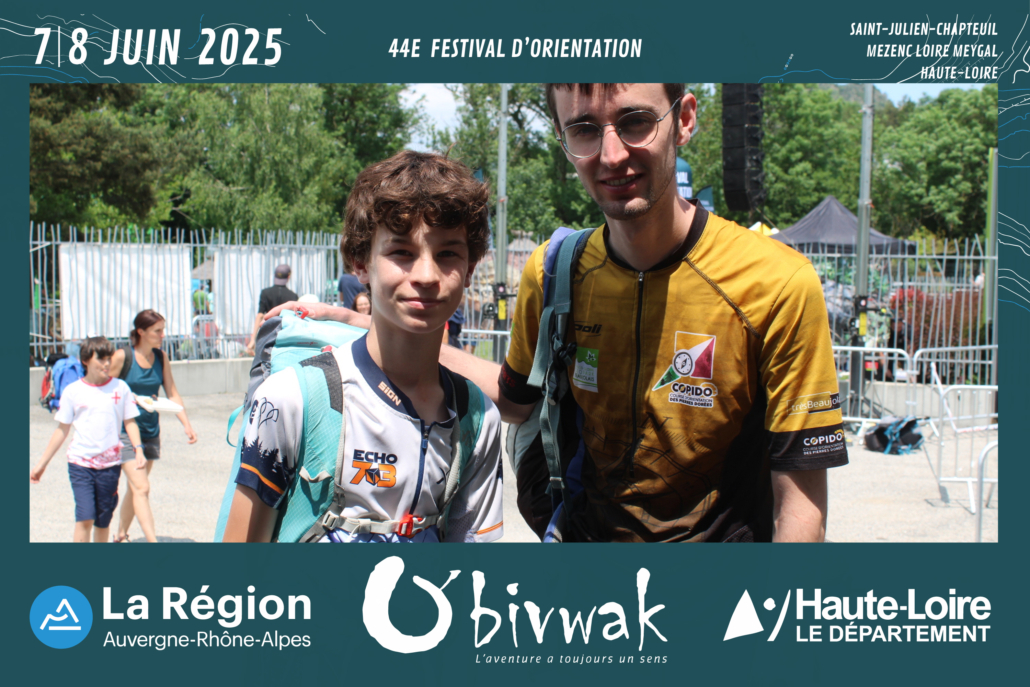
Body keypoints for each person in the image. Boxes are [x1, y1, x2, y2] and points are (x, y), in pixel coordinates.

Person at [268, 83, 848, 543]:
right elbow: (515, 399)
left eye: (635, 122)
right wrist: (370, 322)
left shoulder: (776, 283)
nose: (612, 155)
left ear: (685, 119)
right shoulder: (555, 272)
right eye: (585, 130)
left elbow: (801, 509)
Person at [223, 150, 504, 543]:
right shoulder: (292, 399)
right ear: (359, 262)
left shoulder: (478, 419)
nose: (427, 275)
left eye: (448, 254)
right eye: (402, 252)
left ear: (470, 268)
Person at [30, 337, 146, 543]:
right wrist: (42, 464)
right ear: (85, 360)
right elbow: (62, 430)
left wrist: (138, 449)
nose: (107, 364)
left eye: (109, 359)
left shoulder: (120, 388)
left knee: (103, 521)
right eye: (100, 359)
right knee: (85, 517)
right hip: (80, 463)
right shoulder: (73, 391)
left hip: (110, 465)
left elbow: (130, 422)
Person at [110, 310, 198, 543]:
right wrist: (130, 399)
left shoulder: (161, 357)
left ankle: (120, 535)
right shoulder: (123, 356)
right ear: (141, 331)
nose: (162, 335)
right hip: (124, 432)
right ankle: (153, 543)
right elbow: (105, 389)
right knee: (142, 487)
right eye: (157, 331)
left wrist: (186, 424)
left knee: (136, 487)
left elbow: (172, 392)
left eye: (163, 330)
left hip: (150, 431)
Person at [246, 265, 298, 356]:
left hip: (269, 333)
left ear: (274, 275)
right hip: (285, 335)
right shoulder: (293, 296)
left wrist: (253, 339)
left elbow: (260, 315)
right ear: (288, 277)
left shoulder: (265, 293)